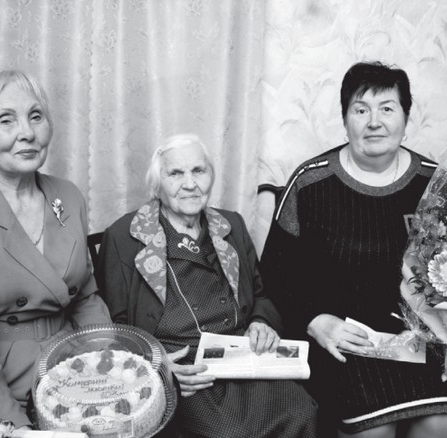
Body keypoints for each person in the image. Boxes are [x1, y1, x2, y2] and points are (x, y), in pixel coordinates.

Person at [260, 61, 447, 438]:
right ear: (345, 119)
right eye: (361, 110)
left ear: (405, 117)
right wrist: (316, 321)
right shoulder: (310, 183)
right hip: (341, 340)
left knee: (443, 423)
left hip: (420, 342)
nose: (374, 122)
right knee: (375, 431)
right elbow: (275, 271)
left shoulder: (435, 183)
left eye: (387, 108)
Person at [96, 133, 317, 438]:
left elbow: (260, 295)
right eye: (176, 173)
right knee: (229, 433)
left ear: (211, 176)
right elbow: (114, 328)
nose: (190, 184)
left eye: (198, 171)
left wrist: (260, 322)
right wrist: (156, 366)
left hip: (240, 353)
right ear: (157, 184)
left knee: (303, 410)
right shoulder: (124, 236)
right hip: (182, 368)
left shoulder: (231, 225)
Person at [0, 70, 112, 428]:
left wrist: (106, 365)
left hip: (61, 361)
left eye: (36, 116)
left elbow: (85, 298)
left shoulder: (68, 195)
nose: (27, 132)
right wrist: (14, 427)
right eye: (6, 120)